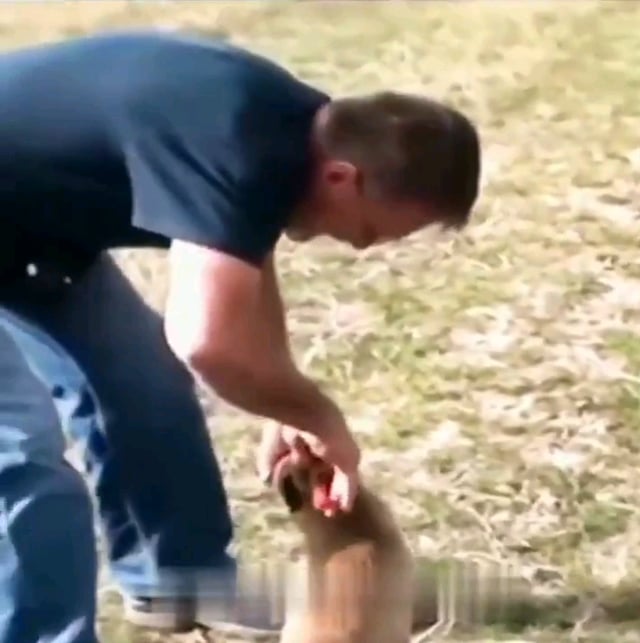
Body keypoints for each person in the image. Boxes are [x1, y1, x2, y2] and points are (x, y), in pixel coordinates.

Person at [0, 29, 481, 643]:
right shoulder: (237, 143)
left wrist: (284, 406)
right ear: (341, 177)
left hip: (27, 233)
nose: (361, 246)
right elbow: (205, 340)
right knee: (20, 458)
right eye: (370, 231)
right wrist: (321, 415)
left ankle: (176, 586)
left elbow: (243, 258)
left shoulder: (292, 129)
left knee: (143, 386)